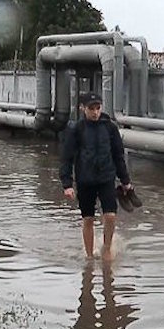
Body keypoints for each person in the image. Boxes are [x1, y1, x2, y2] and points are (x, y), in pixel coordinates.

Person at [59, 92, 133, 262]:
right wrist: (67, 184)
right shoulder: (76, 129)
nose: (95, 112)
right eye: (91, 109)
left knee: (110, 216)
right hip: (85, 180)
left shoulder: (110, 128)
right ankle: (90, 257)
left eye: (98, 108)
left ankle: (106, 248)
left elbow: (118, 156)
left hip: (106, 178)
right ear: (82, 108)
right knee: (88, 219)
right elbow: (66, 158)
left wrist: (125, 181)